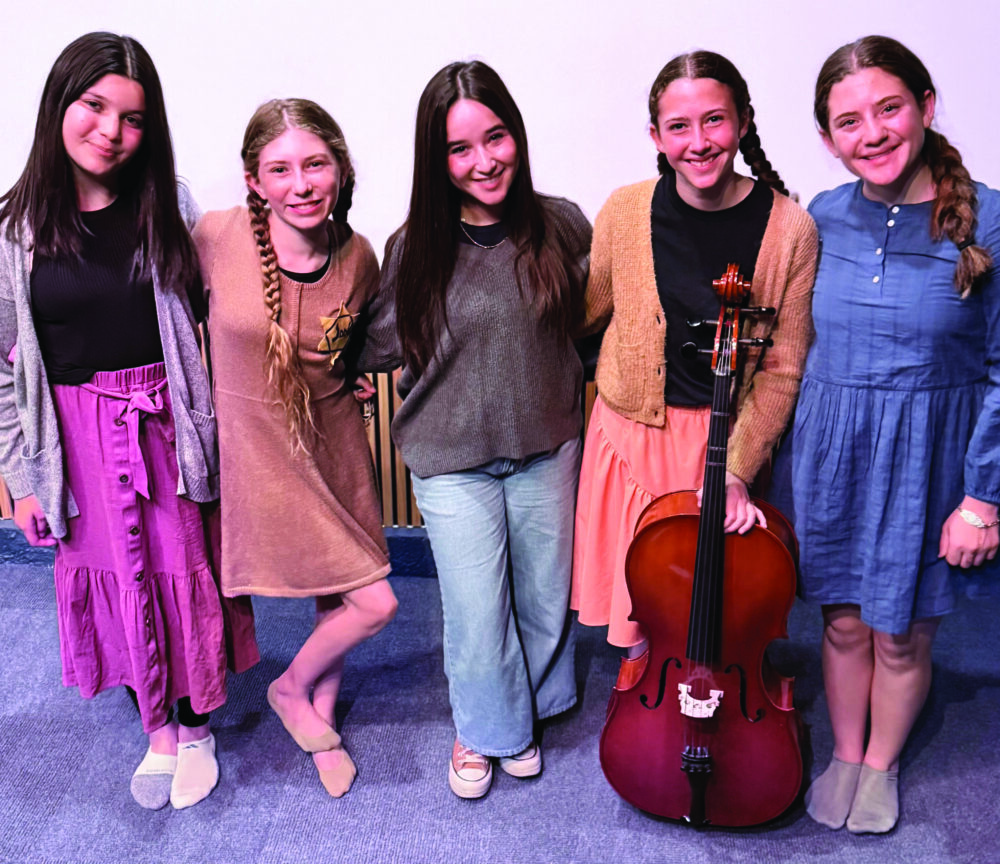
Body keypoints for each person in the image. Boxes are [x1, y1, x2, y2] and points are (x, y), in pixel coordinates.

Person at [0, 32, 258, 810]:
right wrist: (21, 478)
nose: (111, 131)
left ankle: (197, 725)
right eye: (95, 106)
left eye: (133, 118)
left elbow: (230, 314)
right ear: (60, 104)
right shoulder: (13, 231)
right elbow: (5, 368)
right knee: (113, 579)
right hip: (72, 439)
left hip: (165, 425)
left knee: (182, 571)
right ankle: (157, 730)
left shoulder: (168, 204)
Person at [786, 35, 1000, 834]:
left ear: (926, 106)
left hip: (929, 458)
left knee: (903, 633)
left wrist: (983, 500)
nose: (871, 133)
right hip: (833, 453)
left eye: (889, 109)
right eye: (849, 121)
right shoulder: (821, 215)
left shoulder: (990, 217)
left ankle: (882, 763)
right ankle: (847, 752)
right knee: (842, 621)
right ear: (827, 138)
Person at [360, 60, 591, 799]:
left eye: (495, 138)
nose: (483, 160)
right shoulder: (414, 247)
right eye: (460, 148)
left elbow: (591, 329)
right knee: (476, 608)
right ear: (437, 159)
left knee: (545, 597)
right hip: (450, 455)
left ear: (516, 135)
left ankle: (530, 708)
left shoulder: (562, 224)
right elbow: (375, 343)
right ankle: (485, 728)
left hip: (546, 443)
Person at [571, 51, 817, 654]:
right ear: (656, 136)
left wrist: (736, 471)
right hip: (629, 438)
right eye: (679, 126)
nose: (699, 142)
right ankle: (646, 696)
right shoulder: (625, 210)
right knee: (642, 619)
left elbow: (782, 371)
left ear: (743, 122)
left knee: (715, 617)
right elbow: (584, 315)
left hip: (723, 446)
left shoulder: (792, 229)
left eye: (715, 120)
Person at [193, 99, 397, 799]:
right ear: (254, 180)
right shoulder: (216, 236)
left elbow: (349, 344)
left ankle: (317, 713)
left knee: (341, 595)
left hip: (333, 442)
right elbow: (168, 317)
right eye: (280, 170)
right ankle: (290, 690)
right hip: (259, 452)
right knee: (377, 604)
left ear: (339, 168)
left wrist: (351, 378)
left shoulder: (359, 256)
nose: (301, 184)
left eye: (315, 164)